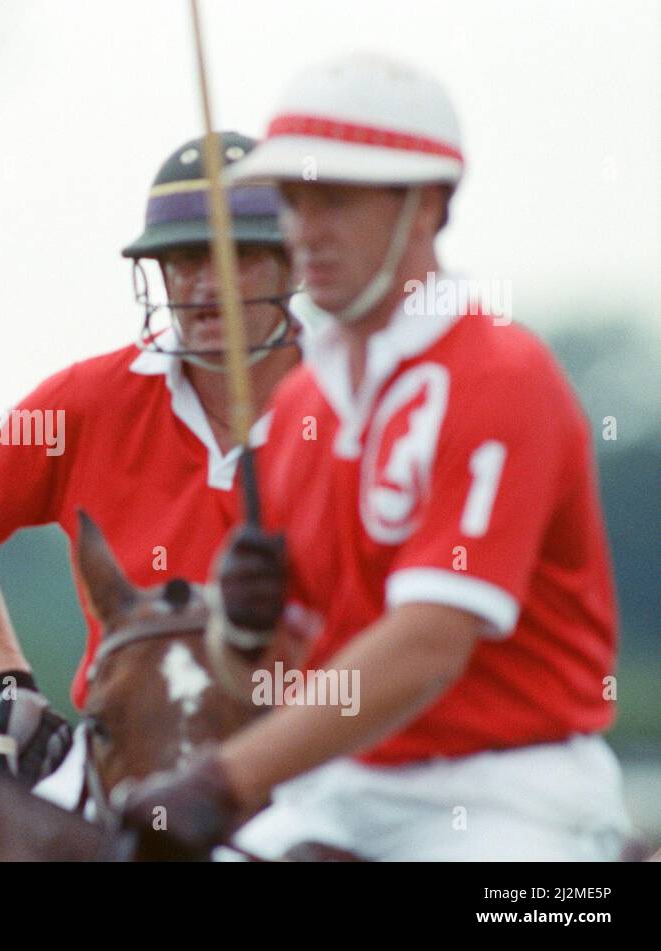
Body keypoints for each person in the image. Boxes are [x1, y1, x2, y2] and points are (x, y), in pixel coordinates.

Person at [121, 55, 632, 861]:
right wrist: (242, 632)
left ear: (426, 204)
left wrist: (224, 779)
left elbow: (430, 641)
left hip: (512, 802)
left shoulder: (499, 375)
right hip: (340, 792)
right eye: (293, 201)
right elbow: (276, 679)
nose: (304, 230)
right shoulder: (299, 405)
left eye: (336, 200)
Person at [0, 132, 302, 800]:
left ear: (292, 265)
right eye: (179, 260)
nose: (203, 284)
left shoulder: (353, 407)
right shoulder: (88, 401)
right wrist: (7, 681)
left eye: (233, 258)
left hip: (304, 753)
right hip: (122, 761)